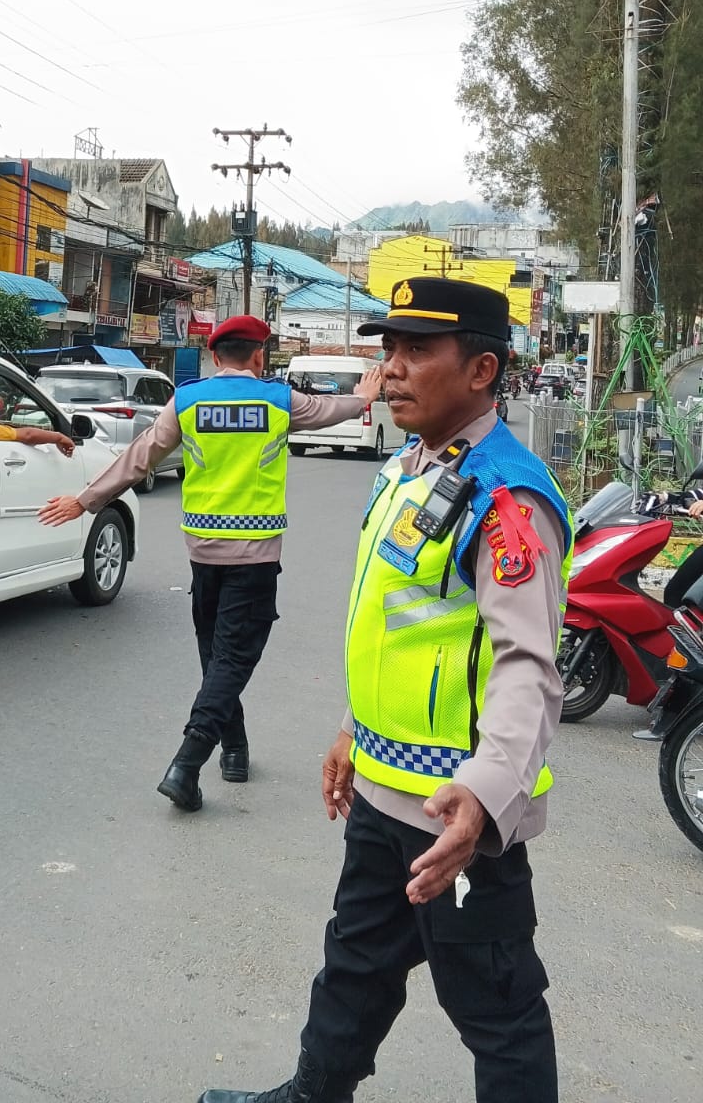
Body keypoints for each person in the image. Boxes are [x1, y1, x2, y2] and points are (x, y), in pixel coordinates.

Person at [199, 278, 572, 1103]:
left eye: (417, 351)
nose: (392, 369)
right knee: (354, 965)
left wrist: (484, 798)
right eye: (389, 349)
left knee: (499, 1011)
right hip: (380, 790)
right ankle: (312, 1094)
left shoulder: (506, 496)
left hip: (456, 815)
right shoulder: (408, 469)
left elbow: (528, 666)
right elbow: (394, 625)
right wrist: (351, 729)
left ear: (481, 370)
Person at [38, 314, 381, 811]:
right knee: (234, 658)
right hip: (256, 553)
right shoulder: (278, 400)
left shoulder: (188, 400)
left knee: (216, 654)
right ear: (259, 356)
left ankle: (234, 749)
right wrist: (364, 398)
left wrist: (84, 500)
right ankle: (188, 762)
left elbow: (140, 456)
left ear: (215, 356)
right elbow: (330, 411)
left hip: (202, 551)